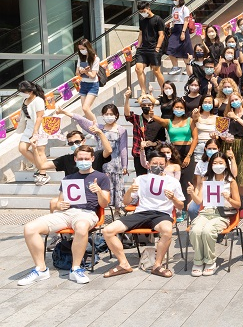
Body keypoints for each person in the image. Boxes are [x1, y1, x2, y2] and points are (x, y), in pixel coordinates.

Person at [18, 146, 111, 286]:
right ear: (75, 159)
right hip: (66, 213)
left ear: (92, 159)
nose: (83, 161)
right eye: (80, 158)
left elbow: (104, 204)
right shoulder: (68, 178)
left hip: (87, 213)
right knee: (30, 228)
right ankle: (40, 269)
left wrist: (98, 191)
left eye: (86, 158)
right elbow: (59, 202)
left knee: (81, 226)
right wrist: (58, 205)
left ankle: (76, 268)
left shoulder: (101, 177)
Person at [102, 152, 185, 279]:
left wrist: (173, 198)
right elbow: (126, 202)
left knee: (167, 231)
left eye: (161, 164)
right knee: (107, 230)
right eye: (154, 163)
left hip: (161, 214)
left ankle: (157, 265)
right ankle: (123, 264)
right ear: (148, 164)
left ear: (166, 164)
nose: (158, 166)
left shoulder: (172, 182)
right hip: (141, 212)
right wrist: (130, 191)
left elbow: (180, 206)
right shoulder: (141, 179)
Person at [58, 104, 129, 215]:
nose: (108, 116)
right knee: (100, 187)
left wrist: (125, 165)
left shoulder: (121, 129)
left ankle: (117, 210)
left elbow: (123, 148)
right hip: (100, 161)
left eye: (111, 114)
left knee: (116, 186)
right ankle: (98, 211)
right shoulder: (98, 128)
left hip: (115, 163)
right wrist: (65, 113)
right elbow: (82, 120)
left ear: (116, 115)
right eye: (106, 114)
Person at [186, 152, 241, 276]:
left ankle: (210, 261)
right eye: (215, 163)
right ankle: (198, 260)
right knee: (195, 230)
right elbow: (199, 201)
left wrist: (228, 199)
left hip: (222, 214)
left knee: (208, 231)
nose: (217, 165)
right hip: (206, 212)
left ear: (226, 165)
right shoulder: (206, 179)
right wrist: (192, 193)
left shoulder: (231, 181)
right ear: (210, 165)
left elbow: (238, 204)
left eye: (221, 163)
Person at [220, 92, 243, 200]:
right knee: (227, 172)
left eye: (236, 99)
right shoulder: (227, 113)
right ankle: (228, 199)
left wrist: (236, 118)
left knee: (241, 175)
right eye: (232, 101)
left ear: (241, 99)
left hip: (241, 143)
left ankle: (242, 203)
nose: (234, 102)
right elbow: (221, 131)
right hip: (228, 144)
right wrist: (223, 137)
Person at [17, 81, 49, 183]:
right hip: (29, 127)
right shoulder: (25, 99)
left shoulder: (38, 100)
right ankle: (41, 166)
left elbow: (39, 117)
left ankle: (43, 173)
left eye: (24, 91)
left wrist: (35, 132)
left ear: (30, 91)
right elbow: (24, 111)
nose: (22, 93)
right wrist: (20, 117)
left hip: (39, 128)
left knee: (40, 151)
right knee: (22, 148)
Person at [134, 2, 166, 95]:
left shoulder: (158, 19)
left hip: (154, 48)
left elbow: (161, 35)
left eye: (143, 11)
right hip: (143, 48)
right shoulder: (142, 20)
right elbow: (140, 33)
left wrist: (158, 47)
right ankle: (143, 91)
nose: (142, 13)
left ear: (149, 9)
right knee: (138, 69)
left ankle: (163, 90)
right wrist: (138, 45)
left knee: (156, 71)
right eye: (140, 11)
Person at [166, 0, 192, 76]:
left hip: (182, 28)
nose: (174, 1)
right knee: (169, 47)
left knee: (185, 49)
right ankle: (175, 66)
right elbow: (174, 19)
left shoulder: (185, 8)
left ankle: (188, 67)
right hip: (175, 28)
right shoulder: (174, 8)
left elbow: (186, 21)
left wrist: (183, 32)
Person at [75, 39, 100, 123]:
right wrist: (80, 71)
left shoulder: (95, 59)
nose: (81, 51)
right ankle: (92, 128)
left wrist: (86, 71)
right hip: (83, 84)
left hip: (92, 85)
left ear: (87, 48)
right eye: (80, 49)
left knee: (86, 108)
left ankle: (96, 126)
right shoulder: (80, 57)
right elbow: (77, 73)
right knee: (85, 110)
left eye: (83, 49)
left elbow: (93, 76)